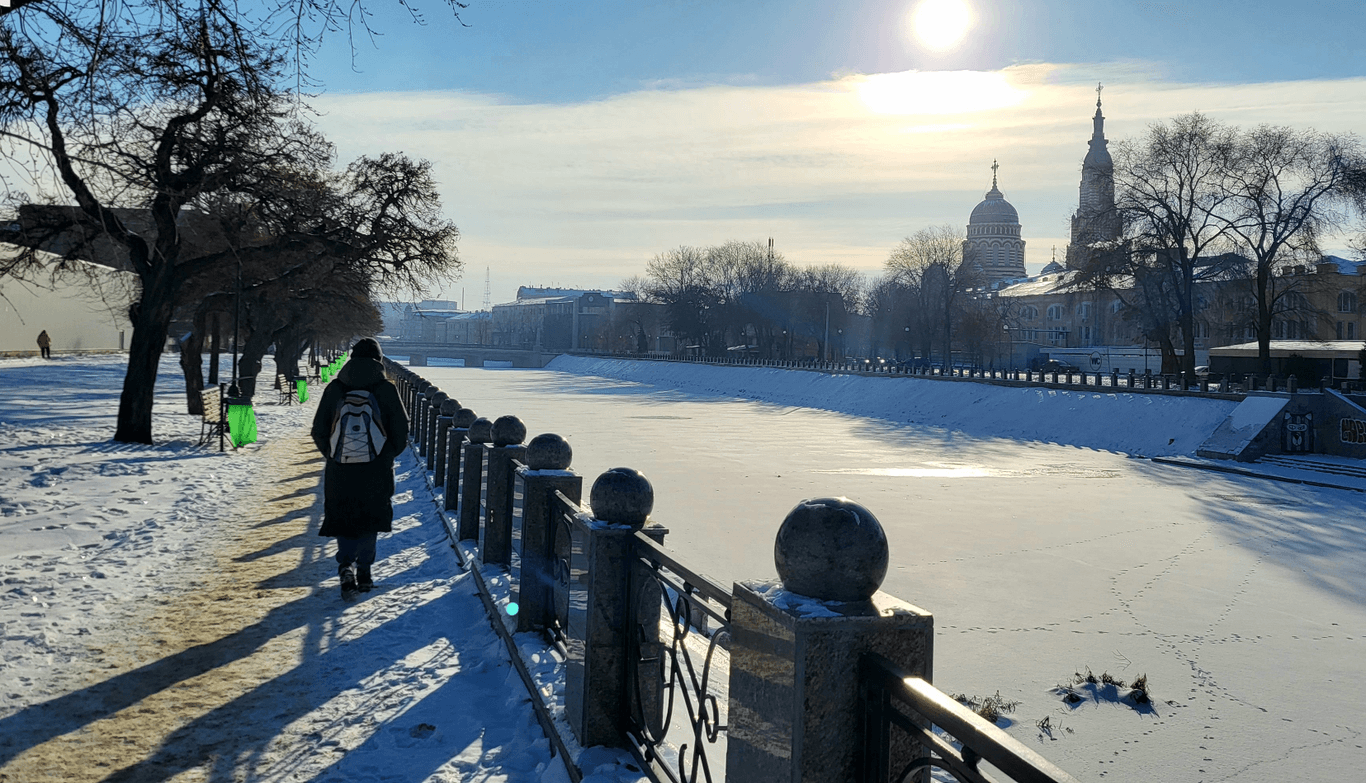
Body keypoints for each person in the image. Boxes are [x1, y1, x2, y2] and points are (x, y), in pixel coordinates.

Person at [310, 338, 409, 595]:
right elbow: (401, 430)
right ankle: (364, 571)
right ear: (378, 360)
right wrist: (385, 455)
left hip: (340, 467)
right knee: (370, 519)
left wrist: (333, 454)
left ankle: (346, 566)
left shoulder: (335, 388)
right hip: (376, 469)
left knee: (344, 517)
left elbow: (318, 429)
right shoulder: (385, 389)